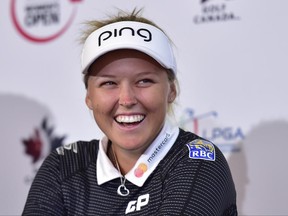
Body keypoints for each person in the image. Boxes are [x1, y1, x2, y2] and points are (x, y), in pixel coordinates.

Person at [22, 8, 237, 216]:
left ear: (171, 90)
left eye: (144, 81)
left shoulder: (198, 161)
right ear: (89, 97)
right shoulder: (64, 166)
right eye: (109, 83)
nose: (126, 100)